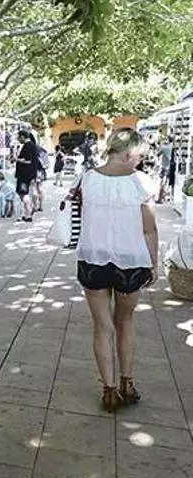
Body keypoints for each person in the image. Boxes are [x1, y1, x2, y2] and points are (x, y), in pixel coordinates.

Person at [75, 128, 159, 413]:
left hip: (93, 259)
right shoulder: (142, 183)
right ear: (127, 153)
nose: (140, 160)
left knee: (102, 326)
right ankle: (127, 383)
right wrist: (153, 263)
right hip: (130, 261)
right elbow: (149, 229)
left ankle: (109, 391)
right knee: (125, 321)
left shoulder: (88, 178)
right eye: (139, 155)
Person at [14, 130, 38, 222]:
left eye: (19, 137)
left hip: (24, 175)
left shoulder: (28, 146)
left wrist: (17, 159)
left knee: (23, 194)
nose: (18, 139)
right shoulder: (32, 145)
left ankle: (28, 213)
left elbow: (28, 161)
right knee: (23, 193)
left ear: (23, 137)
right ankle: (26, 213)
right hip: (28, 174)